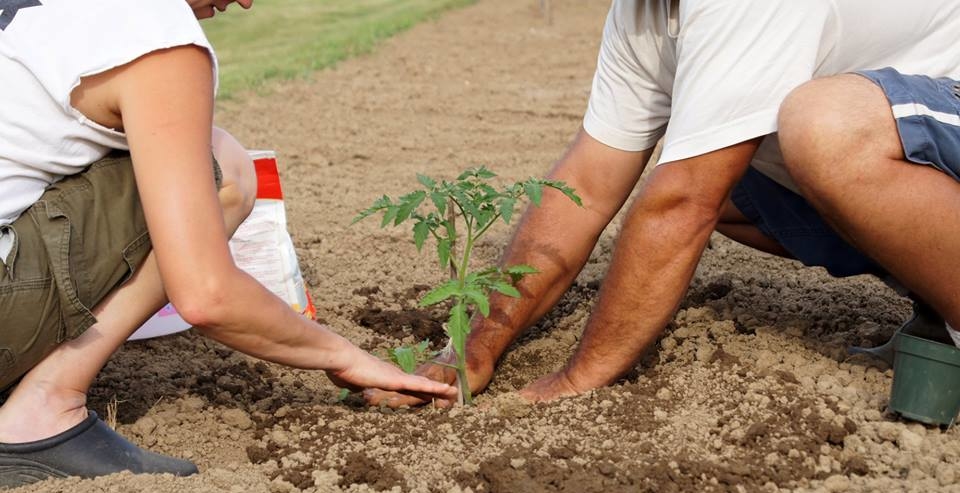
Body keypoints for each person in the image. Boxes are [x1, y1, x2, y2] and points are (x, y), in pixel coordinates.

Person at [367, 0, 960, 408]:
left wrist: (581, 377)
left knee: (819, 128)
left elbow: (680, 205)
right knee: (729, 165)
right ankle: (940, 308)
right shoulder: (644, 14)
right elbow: (587, 185)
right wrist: (475, 346)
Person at [0, 0, 456, 489]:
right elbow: (206, 294)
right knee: (224, 166)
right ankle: (46, 406)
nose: (245, 2)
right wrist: (345, 354)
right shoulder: (153, 30)